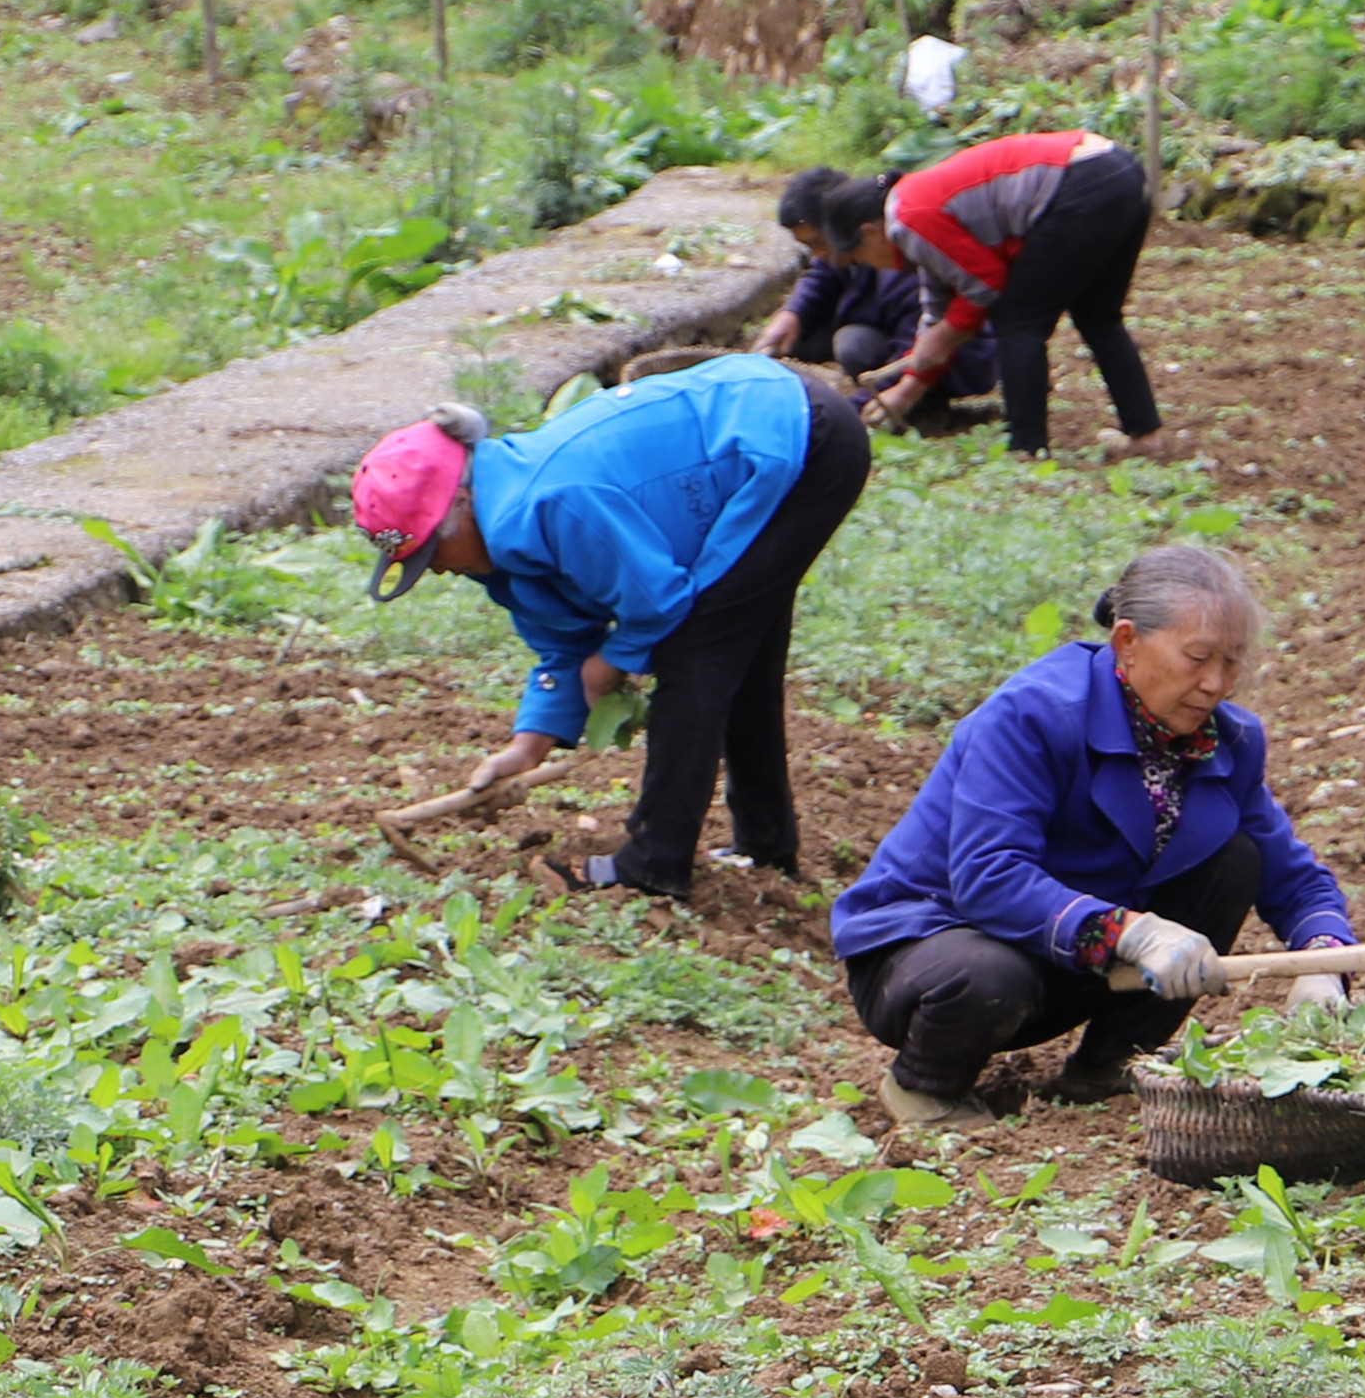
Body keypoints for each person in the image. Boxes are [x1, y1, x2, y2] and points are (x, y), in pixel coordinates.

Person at [829, 546, 1354, 1129]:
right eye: (1198, 658)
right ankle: (925, 1085)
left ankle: (1108, 1065)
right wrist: (1133, 931)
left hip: (1074, 961)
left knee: (1233, 860)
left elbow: (1290, 874)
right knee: (987, 975)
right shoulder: (1035, 714)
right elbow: (987, 877)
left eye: (1232, 663)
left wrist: (1324, 959)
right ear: (1127, 641)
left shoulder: (1226, 741)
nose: (1215, 684)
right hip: (936, 952)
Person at [350, 351, 869, 895]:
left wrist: (614, 662)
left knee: (696, 654)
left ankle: (653, 864)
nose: (432, 568)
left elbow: (661, 602)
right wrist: (529, 745)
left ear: (460, 502)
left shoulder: (555, 502)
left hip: (796, 439)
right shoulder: (497, 545)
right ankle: (764, 847)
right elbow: (562, 643)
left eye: (430, 550)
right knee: (735, 650)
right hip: (761, 439)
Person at [822, 130, 1167, 458]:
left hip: (1081, 181)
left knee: (1017, 320)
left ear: (869, 233)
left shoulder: (911, 217)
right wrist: (909, 388)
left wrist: (942, 336)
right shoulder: (912, 210)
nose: (871, 265)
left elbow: (987, 283)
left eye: (859, 257)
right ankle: (1145, 434)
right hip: (1117, 169)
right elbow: (940, 308)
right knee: (1098, 316)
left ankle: (1026, 448)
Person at [752, 166, 997, 403]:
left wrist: (871, 402)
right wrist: (791, 314)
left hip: (949, 358)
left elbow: (920, 341)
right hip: (897, 328)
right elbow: (823, 276)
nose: (817, 255)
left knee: (852, 344)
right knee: (799, 337)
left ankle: (925, 399)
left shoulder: (898, 259)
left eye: (818, 243)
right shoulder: (856, 244)